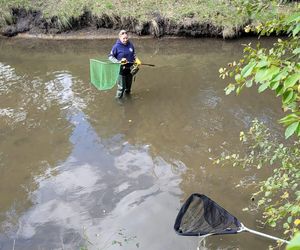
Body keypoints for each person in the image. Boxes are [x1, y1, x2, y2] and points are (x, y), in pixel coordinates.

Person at [108, 30, 137, 99]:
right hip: (120, 70)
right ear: (120, 38)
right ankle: (118, 101)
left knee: (128, 87)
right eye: (123, 38)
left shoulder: (130, 45)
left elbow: (134, 54)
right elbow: (110, 57)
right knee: (121, 88)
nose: (125, 40)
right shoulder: (116, 46)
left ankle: (128, 99)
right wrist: (119, 61)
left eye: (126, 38)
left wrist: (136, 60)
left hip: (130, 69)